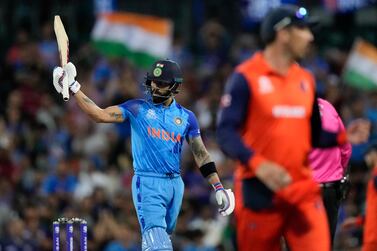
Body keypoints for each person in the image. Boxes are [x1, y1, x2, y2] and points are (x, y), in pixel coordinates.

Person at [216, 4, 370, 251]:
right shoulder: (246, 77)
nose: (310, 37)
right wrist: (259, 164)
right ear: (283, 34)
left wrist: (343, 136)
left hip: (303, 193)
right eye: (303, 31)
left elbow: (314, 133)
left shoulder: (305, 80)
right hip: (260, 190)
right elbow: (225, 132)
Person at [52, 59, 235, 251]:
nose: (155, 87)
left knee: (161, 238)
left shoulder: (187, 117)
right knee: (157, 242)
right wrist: (73, 87)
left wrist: (218, 187)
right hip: (148, 182)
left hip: (175, 185)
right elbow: (99, 114)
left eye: (162, 83)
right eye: (153, 82)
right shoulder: (137, 108)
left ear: (175, 86)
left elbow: (201, 155)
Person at [308, 98, 352, 244]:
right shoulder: (327, 106)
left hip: (304, 191)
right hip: (331, 190)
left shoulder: (292, 110)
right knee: (325, 243)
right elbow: (346, 149)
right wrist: (338, 171)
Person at [341, 143, 377, 251]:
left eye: (368, 154)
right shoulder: (374, 176)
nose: (366, 158)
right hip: (371, 238)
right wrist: (358, 221)